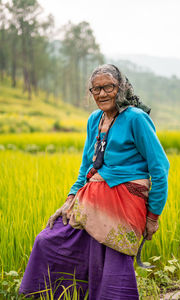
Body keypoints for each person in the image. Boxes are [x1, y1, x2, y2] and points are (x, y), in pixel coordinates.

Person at [19, 64, 170, 299]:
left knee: (112, 263)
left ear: (120, 87)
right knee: (48, 241)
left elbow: (160, 169)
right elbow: (86, 168)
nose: (101, 94)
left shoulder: (136, 119)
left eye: (108, 87)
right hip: (90, 200)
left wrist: (153, 217)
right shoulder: (94, 120)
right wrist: (70, 199)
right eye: (96, 89)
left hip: (124, 206)